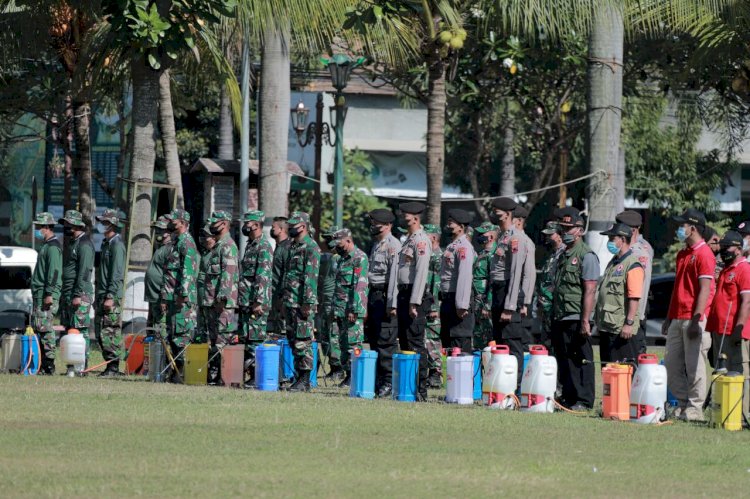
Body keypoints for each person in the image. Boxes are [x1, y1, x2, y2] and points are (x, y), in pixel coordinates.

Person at [662, 208, 715, 422]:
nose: (679, 229)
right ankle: (682, 405)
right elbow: (677, 288)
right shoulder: (683, 253)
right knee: (672, 364)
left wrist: (697, 318)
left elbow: (705, 289)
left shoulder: (704, 254)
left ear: (692, 228)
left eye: (682, 225)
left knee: (695, 367)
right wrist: (668, 316)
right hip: (677, 317)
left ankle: (695, 408)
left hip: (695, 319)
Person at [551, 207, 599, 411]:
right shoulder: (564, 254)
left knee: (581, 359)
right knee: (565, 359)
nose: (564, 231)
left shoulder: (586, 255)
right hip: (561, 314)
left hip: (576, 315)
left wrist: (585, 320)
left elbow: (589, 291)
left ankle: (585, 400)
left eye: (569, 228)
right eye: (562, 227)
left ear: (579, 230)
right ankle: (570, 396)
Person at [706, 230, 750, 421]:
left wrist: (739, 329)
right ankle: (724, 409)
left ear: (739, 249)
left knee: (739, 371)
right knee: (722, 371)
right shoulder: (726, 269)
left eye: (727, 247)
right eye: (722, 247)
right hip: (719, 329)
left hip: (735, 330)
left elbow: (746, 301)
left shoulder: (744, 269)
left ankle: (741, 413)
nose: (723, 251)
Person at [394, 201, 432, 401]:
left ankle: (420, 389)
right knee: (406, 340)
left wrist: (414, 302)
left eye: (406, 215)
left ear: (416, 218)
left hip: (414, 296)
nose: (403, 217)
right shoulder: (409, 240)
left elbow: (421, 273)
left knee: (416, 342)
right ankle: (407, 387)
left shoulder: (421, 241)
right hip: (404, 293)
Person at [489, 197, 528, 385]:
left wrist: (510, 306)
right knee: (500, 341)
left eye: (498, 212)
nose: (494, 214)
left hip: (508, 292)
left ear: (508, 214)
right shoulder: (502, 236)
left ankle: (516, 387)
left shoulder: (516, 238)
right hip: (498, 292)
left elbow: (515, 273)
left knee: (512, 343)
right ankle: (502, 385)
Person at [595, 223, 645, 363]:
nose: (609, 242)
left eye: (612, 238)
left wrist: (628, 324)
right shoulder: (614, 263)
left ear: (622, 239)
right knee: (608, 373)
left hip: (621, 330)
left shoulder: (632, 265)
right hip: (608, 327)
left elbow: (634, 297)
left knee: (623, 374)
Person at [283, 212, 321, 392]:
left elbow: (311, 278)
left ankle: (305, 380)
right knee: (293, 340)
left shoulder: (311, 247)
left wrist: (308, 302)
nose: (291, 229)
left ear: (304, 226)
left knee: (303, 340)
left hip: (302, 302)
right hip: (290, 300)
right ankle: (298, 376)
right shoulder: (293, 246)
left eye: (294, 226)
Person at [365, 208, 401, 397]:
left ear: (387, 225)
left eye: (376, 223)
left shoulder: (393, 245)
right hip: (374, 296)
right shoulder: (377, 244)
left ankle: (388, 380)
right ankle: (379, 379)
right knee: (374, 337)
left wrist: (392, 304)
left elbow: (395, 277)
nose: (372, 226)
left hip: (385, 296)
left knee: (386, 341)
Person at [161, 209, 199, 382]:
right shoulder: (176, 242)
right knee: (172, 335)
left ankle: (182, 373)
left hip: (182, 300)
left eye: (174, 221)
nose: (171, 223)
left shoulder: (187, 242)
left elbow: (188, 270)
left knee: (182, 335)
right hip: (172, 298)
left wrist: (183, 293)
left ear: (182, 222)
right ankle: (175, 372)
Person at [330, 228, 369, 386]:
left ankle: (356, 375)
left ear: (348, 240)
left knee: (354, 343)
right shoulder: (341, 259)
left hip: (352, 309)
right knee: (342, 343)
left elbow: (360, 286)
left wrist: (355, 309)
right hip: (340, 309)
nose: (337, 248)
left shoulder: (359, 258)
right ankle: (348, 374)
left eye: (339, 244)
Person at [238, 210, 274, 381]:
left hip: (256, 302)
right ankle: (251, 374)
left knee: (255, 338)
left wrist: (259, 301)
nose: (245, 226)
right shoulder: (250, 244)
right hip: (246, 300)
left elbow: (263, 276)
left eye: (248, 223)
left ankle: (257, 375)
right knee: (247, 337)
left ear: (257, 225)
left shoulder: (263, 246)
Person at [204, 211, 239, 384]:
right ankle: (215, 374)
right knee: (214, 340)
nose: (212, 226)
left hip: (222, 303)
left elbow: (228, 273)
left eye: (215, 223)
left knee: (222, 340)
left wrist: (222, 298)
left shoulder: (228, 245)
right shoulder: (218, 245)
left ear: (224, 224)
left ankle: (224, 377)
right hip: (212, 301)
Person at [615, 210, 654, 355]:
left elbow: (640, 289)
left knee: (633, 357)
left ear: (632, 230)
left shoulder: (640, 251)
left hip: (634, 314)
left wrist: (633, 320)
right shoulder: (625, 249)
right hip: (623, 313)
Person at [60, 209, 95, 367]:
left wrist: (78, 295)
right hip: (69, 293)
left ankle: (81, 364)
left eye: (68, 224)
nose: (66, 227)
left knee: (80, 330)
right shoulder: (73, 243)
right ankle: (71, 363)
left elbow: (84, 272)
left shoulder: (85, 244)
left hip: (79, 294)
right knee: (70, 328)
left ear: (76, 225)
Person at [95, 209, 127, 377]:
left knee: (110, 331)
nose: (101, 225)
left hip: (110, 296)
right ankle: (109, 365)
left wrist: (111, 296)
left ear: (113, 224)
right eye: (101, 222)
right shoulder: (105, 243)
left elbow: (117, 273)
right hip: (102, 293)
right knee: (101, 331)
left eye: (105, 222)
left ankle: (113, 367)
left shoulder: (117, 245)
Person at [439, 209, 476, 353]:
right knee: (448, 342)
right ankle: (449, 375)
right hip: (449, 299)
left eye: (451, 223)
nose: (448, 226)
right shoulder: (452, 245)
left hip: (458, 301)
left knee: (459, 343)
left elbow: (464, 276)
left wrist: (462, 304)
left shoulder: (463, 247)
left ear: (461, 227)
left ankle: (461, 376)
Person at [30, 212, 62, 375]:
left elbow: (54, 272)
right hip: (40, 293)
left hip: (46, 295)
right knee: (39, 328)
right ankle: (42, 363)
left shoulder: (53, 247)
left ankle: (49, 365)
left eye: (39, 227)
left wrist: (49, 294)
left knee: (46, 329)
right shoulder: (46, 246)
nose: (37, 230)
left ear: (47, 227)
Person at [317, 226, 342, 380]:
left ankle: (339, 367)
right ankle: (333, 367)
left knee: (334, 336)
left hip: (333, 301)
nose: (326, 242)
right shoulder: (328, 258)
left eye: (329, 239)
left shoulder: (339, 259)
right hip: (324, 301)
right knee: (325, 336)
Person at [536, 221, 565, 350]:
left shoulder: (564, 253)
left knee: (555, 342)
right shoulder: (551, 254)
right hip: (546, 305)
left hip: (556, 305)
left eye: (551, 234)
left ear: (559, 235)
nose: (548, 237)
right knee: (546, 341)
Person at [512, 205, 537, 345]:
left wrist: (525, 302)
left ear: (519, 221)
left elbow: (529, 274)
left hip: (521, 300)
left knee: (521, 340)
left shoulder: (526, 242)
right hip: (513, 299)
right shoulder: (511, 240)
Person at [472, 222, 497, 350]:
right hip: (476, 299)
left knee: (488, 336)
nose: (480, 236)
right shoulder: (482, 253)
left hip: (484, 301)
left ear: (491, 237)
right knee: (478, 334)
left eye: (483, 234)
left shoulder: (494, 254)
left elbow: (493, 281)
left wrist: (487, 305)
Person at [145, 215, 172, 332]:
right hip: (153, 296)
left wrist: (164, 298)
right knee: (152, 330)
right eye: (157, 229)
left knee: (161, 331)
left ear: (168, 232)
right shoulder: (160, 248)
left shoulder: (170, 249)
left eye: (161, 229)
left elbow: (169, 276)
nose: (158, 232)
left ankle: (163, 350)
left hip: (160, 297)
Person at [424, 224, 443, 387]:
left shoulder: (438, 257)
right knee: (426, 338)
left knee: (432, 338)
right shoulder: (429, 256)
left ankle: (436, 373)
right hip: (427, 302)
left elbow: (437, 285)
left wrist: (434, 307)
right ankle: (431, 372)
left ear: (434, 238)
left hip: (433, 305)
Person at [269, 216, 291, 340]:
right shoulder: (279, 247)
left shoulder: (286, 247)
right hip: (276, 296)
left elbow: (287, 273)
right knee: (277, 334)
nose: (271, 230)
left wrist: (283, 297)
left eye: (273, 227)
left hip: (282, 298)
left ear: (281, 229)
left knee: (283, 335)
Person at [196, 224, 215, 345]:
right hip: (202, 300)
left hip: (212, 301)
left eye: (207, 236)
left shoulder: (218, 253)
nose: (204, 239)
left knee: (213, 332)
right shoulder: (205, 253)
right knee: (201, 331)